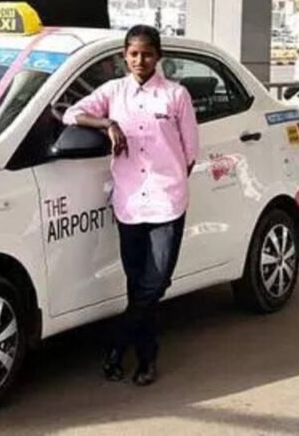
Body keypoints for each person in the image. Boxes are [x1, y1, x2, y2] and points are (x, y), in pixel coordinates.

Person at [63, 25, 199, 386]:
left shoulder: (175, 95)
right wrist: (106, 123)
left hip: (167, 202)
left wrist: (170, 180)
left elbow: (190, 153)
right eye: (134, 54)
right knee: (137, 283)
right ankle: (146, 359)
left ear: (158, 56)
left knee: (156, 282)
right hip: (129, 202)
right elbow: (71, 114)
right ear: (125, 56)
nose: (141, 60)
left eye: (148, 54)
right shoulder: (113, 92)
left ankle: (115, 344)